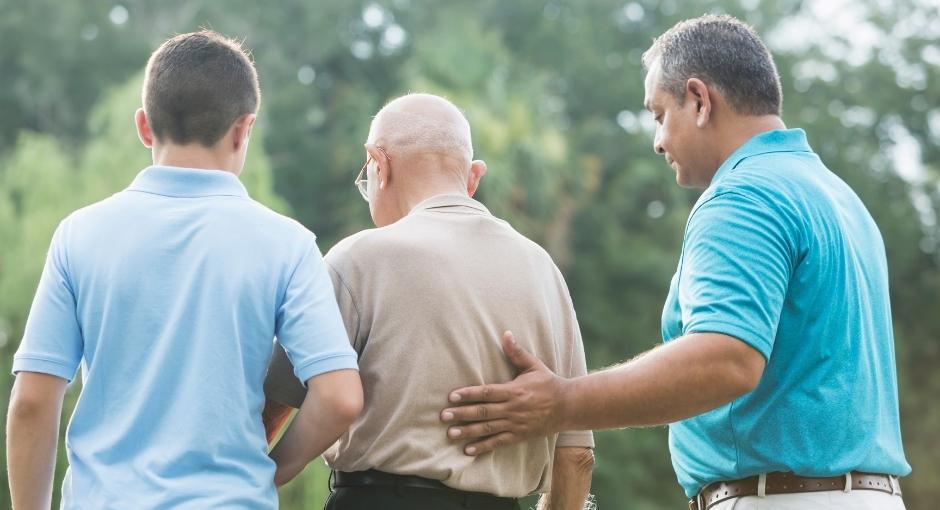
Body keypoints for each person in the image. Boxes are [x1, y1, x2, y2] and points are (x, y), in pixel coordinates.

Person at [440, 14, 910, 510]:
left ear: (700, 100)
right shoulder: (838, 198)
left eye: (659, 114)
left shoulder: (743, 196)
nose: (657, 140)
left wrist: (561, 403)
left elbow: (725, 359)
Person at [6, 30, 362, 509]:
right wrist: (273, 469)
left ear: (144, 126)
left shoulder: (80, 235)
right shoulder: (287, 244)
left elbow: (31, 402)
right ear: (243, 129)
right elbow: (340, 397)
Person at [263, 93, 595, 510]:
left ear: (378, 165)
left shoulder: (359, 259)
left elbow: (271, 408)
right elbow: (576, 455)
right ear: (473, 178)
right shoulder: (544, 272)